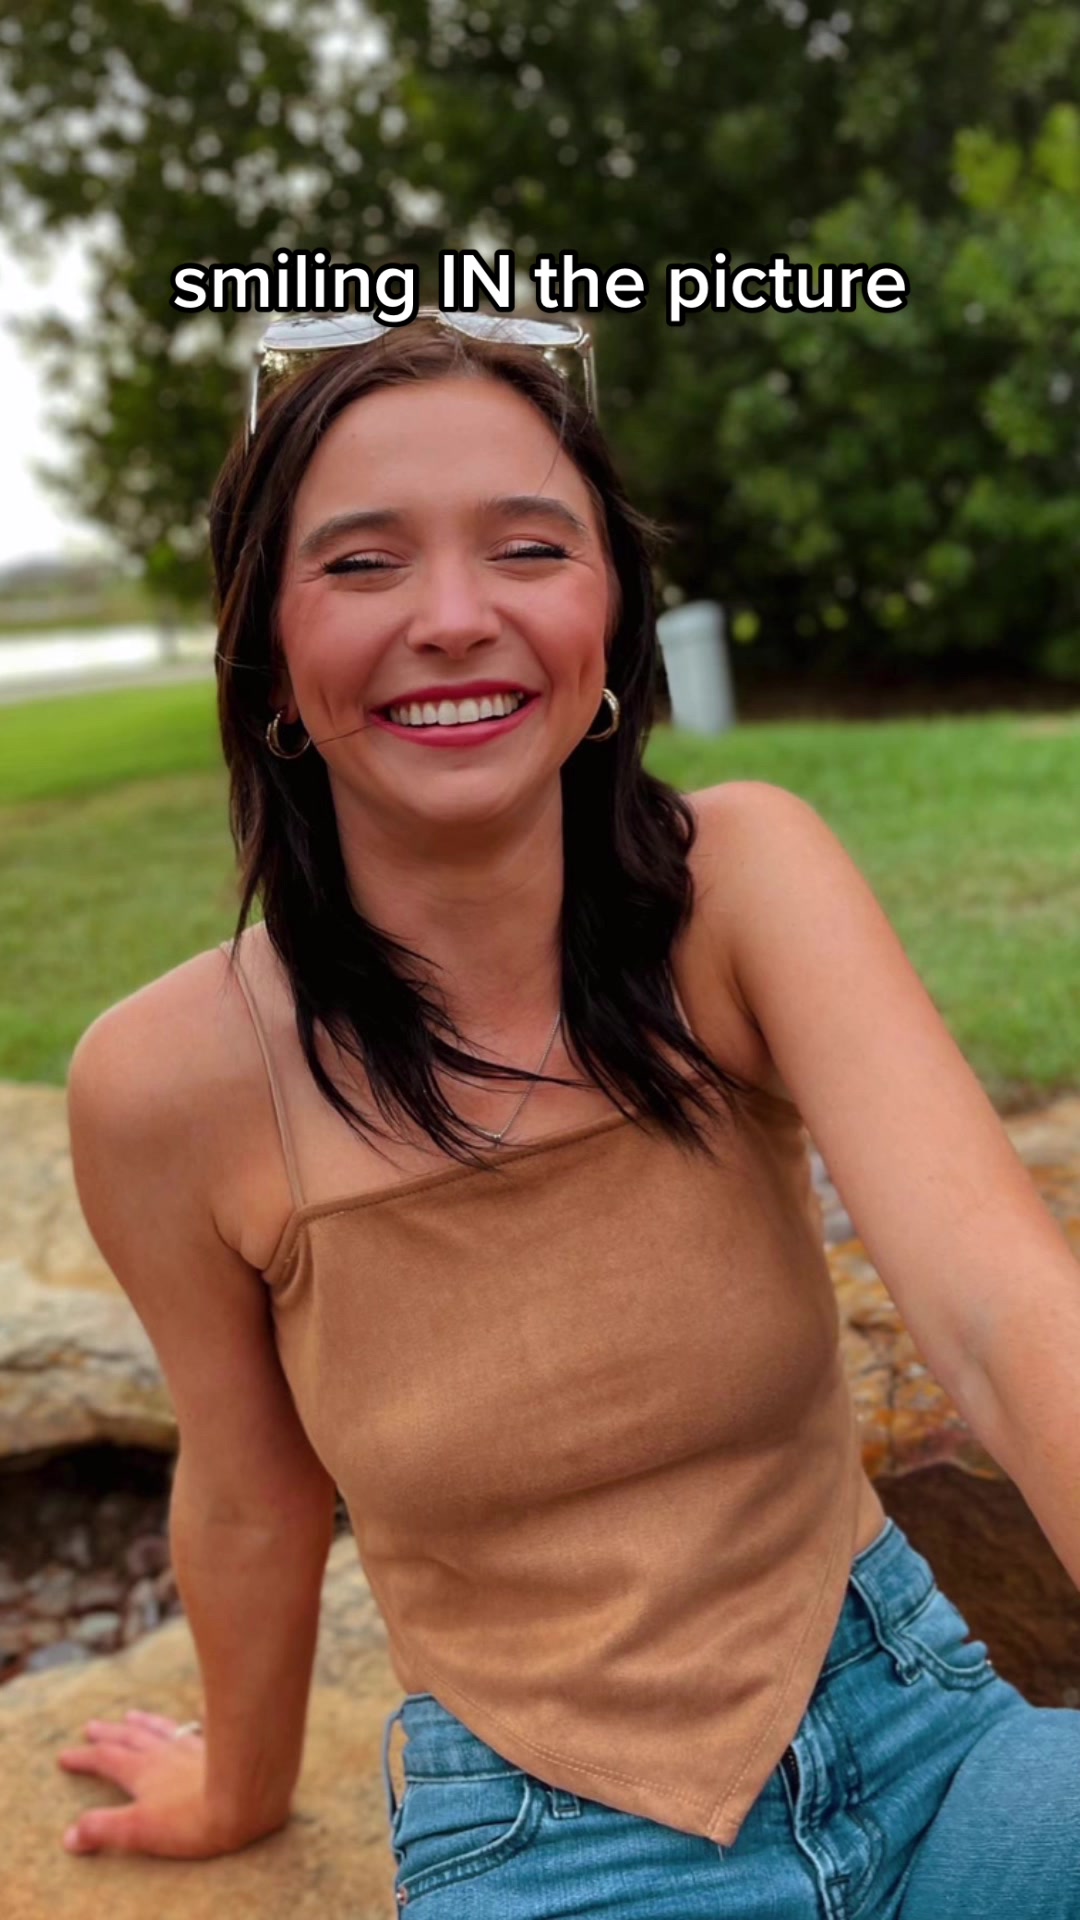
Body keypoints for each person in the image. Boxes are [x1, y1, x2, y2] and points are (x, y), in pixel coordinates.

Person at [56, 313, 1080, 1916]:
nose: (456, 618)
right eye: (363, 565)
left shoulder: (739, 885)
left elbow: (1003, 1312)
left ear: (608, 613)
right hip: (551, 1844)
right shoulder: (165, 1084)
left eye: (529, 549)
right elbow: (253, 1493)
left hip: (931, 1738)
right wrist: (233, 1792)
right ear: (265, 651)